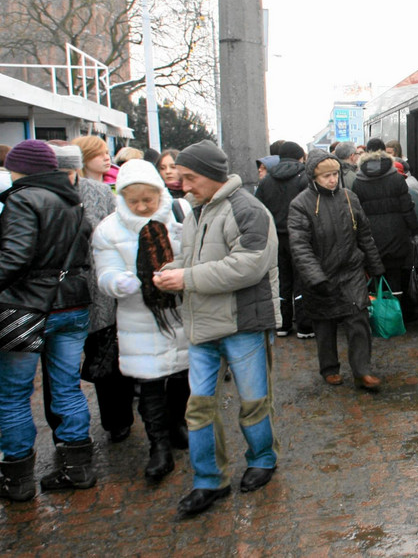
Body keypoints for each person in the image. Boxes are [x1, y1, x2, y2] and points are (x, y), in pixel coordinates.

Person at [152, 140, 281, 516]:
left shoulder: (247, 209)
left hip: (242, 323)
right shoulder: (199, 209)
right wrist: (171, 271)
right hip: (204, 325)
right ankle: (209, 481)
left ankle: (262, 460)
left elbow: (249, 265)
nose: (184, 185)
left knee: (254, 400)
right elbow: (196, 256)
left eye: (190, 177)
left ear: (211, 175)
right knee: (199, 408)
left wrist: (185, 277)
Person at [0, 140, 95, 502]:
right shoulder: (73, 200)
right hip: (72, 303)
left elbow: (15, 256)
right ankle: (78, 468)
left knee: (13, 394)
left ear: (22, 168)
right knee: (68, 386)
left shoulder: (22, 199)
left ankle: (18, 478)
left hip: (26, 306)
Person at [92, 160, 190, 483]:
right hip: (138, 317)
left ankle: (178, 425)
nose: (142, 206)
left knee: (181, 377)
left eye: (148, 199)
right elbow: (104, 272)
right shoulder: (109, 229)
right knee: (149, 384)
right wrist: (118, 283)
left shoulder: (179, 215)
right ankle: (158, 445)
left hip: (180, 311)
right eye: (134, 201)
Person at [52, 145, 137, 446]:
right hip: (59, 296)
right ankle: (65, 431)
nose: (105, 157)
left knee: (107, 360)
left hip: (99, 290)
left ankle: (118, 421)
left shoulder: (100, 193)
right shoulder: (45, 196)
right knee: (60, 367)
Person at [288, 149, 386, 390]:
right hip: (321, 275)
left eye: (335, 174)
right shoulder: (300, 205)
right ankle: (329, 368)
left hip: (351, 272)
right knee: (324, 324)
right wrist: (315, 277)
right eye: (326, 176)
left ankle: (362, 370)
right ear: (313, 177)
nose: (332, 179)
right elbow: (300, 246)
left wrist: (376, 266)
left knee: (358, 320)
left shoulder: (350, 197)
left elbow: (364, 235)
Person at [353, 148, 418, 322]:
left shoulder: (358, 182)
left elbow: (356, 212)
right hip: (396, 234)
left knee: (375, 276)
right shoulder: (396, 179)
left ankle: (378, 317)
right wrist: (415, 231)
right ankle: (396, 317)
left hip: (370, 236)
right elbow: (407, 208)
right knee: (395, 275)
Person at [254, 141, 311, 338]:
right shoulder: (304, 177)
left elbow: (259, 211)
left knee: (281, 280)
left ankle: (282, 324)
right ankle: (304, 326)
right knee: (302, 280)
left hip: (275, 238)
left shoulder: (266, 181)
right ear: (300, 157)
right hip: (301, 236)